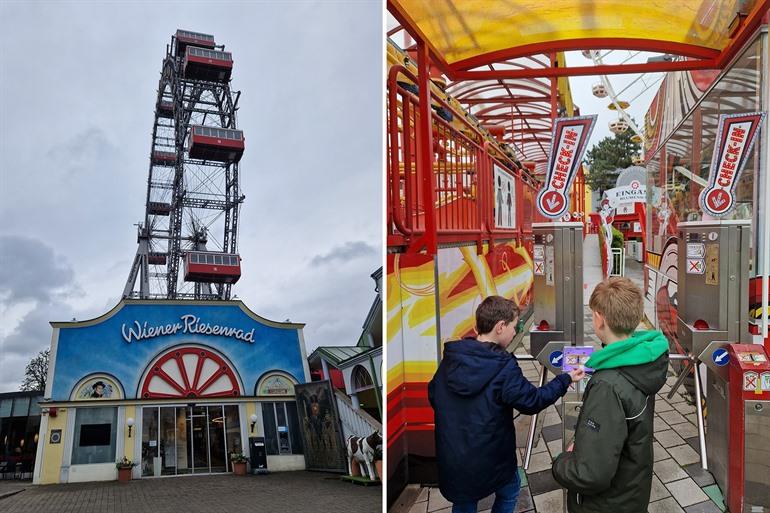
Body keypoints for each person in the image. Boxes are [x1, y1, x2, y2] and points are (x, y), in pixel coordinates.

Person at [429, 296, 584, 513]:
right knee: (510, 491)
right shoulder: (502, 366)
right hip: (492, 456)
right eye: (514, 326)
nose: (515, 332)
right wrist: (565, 379)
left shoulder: (452, 358)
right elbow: (533, 401)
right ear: (500, 327)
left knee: (464, 502)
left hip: (454, 457)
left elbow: (433, 395)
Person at [552, 277, 669, 513]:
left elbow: (590, 474)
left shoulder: (608, 385)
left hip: (605, 504)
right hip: (631, 491)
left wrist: (561, 463)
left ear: (599, 319)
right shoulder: (643, 360)